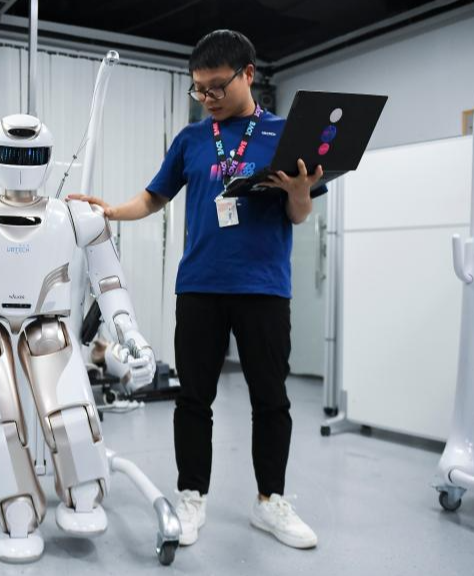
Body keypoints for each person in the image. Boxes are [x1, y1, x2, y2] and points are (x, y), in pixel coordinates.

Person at [69, 29, 323, 550]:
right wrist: (112, 211)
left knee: (271, 400)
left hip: (264, 289)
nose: (207, 99)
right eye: (198, 90)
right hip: (200, 287)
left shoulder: (283, 134)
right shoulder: (191, 139)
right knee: (193, 399)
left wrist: (299, 192)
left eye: (215, 88)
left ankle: (270, 502)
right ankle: (191, 497)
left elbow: (298, 214)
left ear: (248, 74)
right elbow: (155, 196)